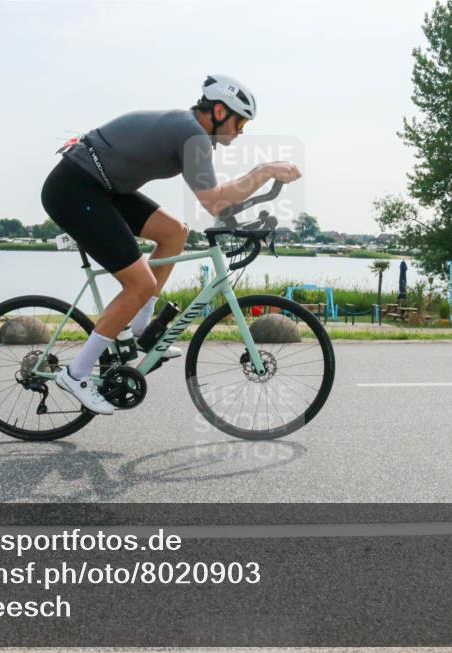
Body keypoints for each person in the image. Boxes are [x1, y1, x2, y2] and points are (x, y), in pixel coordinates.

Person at [41, 74, 302, 415]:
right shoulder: (191, 134)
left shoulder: (193, 133)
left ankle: (141, 331)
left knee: (174, 233)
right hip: (75, 189)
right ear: (219, 111)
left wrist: (253, 195)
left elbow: (217, 200)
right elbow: (214, 201)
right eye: (240, 122)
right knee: (140, 284)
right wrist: (264, 171)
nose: (241, 131)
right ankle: (76, 374)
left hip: (103, 188)